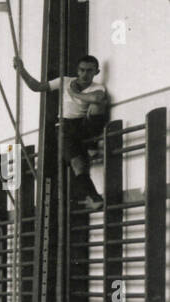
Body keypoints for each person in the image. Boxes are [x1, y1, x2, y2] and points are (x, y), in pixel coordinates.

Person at [13, 54, 109, 210]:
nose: (85, 74)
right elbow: (37, 87)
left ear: (96, 72)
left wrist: (75, 94)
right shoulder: (65, 81)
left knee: (98, 105)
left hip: (83, 126)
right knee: (78, 165)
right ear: (77, 71)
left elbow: (97, 98)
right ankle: (95, 197)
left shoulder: (98, 87)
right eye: (82, 70)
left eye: (89, 71)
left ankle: (92, 144)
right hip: (65, 127)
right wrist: (21, 70)